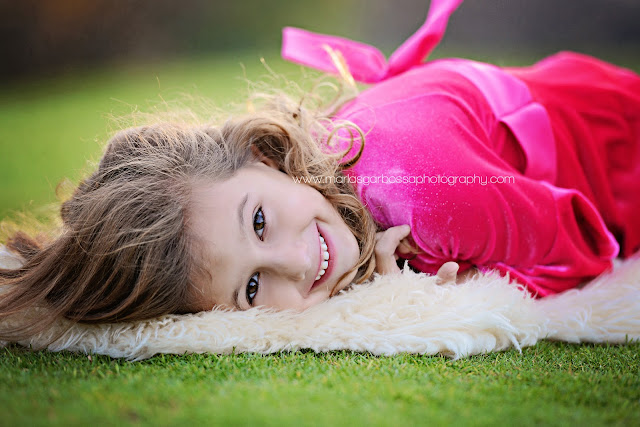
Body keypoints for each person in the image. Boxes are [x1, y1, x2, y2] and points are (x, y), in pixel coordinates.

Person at [1, 0, 638, 340]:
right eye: (253, 288)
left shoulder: (424, 192)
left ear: (263, 156)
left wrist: (451, 274)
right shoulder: (322, 177)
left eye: (258, 222)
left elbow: (585, 248)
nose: (297, 263)